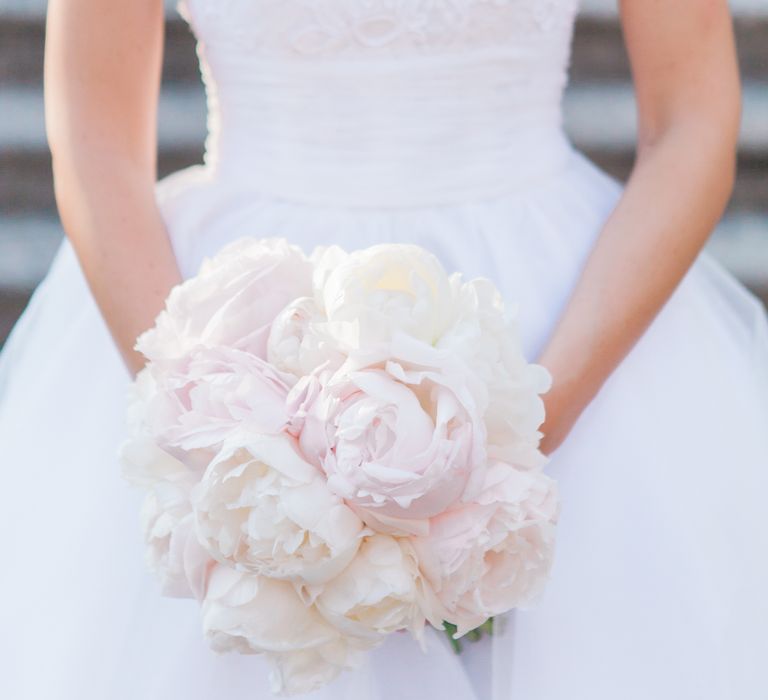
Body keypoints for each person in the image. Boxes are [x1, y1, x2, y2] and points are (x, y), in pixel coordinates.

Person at [1, 1, 767, 698]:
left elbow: (691, 118)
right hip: (239, 317)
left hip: (567, 329)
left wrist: (525, 419)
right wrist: (211, 420)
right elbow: (95, 136)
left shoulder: (552, 381)